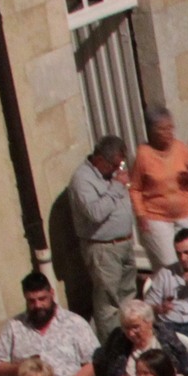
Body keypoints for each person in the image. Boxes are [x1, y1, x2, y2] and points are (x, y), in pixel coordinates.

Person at [0, 271, 98, 376]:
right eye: (31, 301)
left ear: (52, 294)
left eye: (42, 299)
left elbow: (93, 364)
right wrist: (22, 367)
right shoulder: (14, 326)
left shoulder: (74, 323)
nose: (38, 305)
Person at [69, 134, 136, 338]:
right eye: (114, 165)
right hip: (104, 249)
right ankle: (111, 344)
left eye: (120, 164)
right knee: (108, 303)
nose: (117, 169)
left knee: (128, 296)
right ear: (99, 159)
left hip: (124, 243)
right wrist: (117, 186)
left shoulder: (112, 175)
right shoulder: (82, 180)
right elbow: (95, 213)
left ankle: (129, 337)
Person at [130, 106, 188, 268]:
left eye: (170, 128)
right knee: (170, 264)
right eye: (163, 129)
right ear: (152, 131)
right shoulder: (143, 154)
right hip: (157, 217)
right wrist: (141, 214)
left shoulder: (181, 148)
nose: (169, 133)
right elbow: (135, 188)